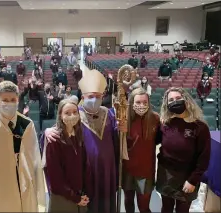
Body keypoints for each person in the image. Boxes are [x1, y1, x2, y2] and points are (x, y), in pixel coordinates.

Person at [43, 69, 124, 213]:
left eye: (98, 96)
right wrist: (47, 131)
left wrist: (122, 129)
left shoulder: (108, 113)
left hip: (107, 170)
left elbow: (117, 139)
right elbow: (61, 127)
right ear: (84, 96)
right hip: (86, 172)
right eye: (91, 96)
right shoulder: (75, 113)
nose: (94, 99)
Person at [0, 81, 46, 212]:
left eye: (13, 99)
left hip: (25, 186)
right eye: (5, 100)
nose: (9, 103)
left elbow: (35, 160)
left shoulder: (27, 125)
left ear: (17, 100)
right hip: (0, 191)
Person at [156, 87, 211, 213]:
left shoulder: (200, 127)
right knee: (166, 209)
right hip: (166, 175)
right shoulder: (165, 124)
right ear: (167, 104)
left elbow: (204, 158)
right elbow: (154, 141)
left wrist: (192, 180)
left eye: (178, 98)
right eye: (171, 100)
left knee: (182, 210)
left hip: (187, 176)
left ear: (186, 100)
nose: (175, 102)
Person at [42, 99, 92, 212]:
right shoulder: (54, 140)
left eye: (75, 112)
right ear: (60, 115)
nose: (72, 115)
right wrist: (74, 197)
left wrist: (85, 192)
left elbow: (85, 166)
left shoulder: (78, 136)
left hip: (79, 195)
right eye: (67, 113)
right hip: (63, 197)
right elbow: (56, 178)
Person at [121, 88, 161, 213]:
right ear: (132, 103)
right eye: (138, 102)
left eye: (145, 102)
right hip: (127, 170)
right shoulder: (124, 120)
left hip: (145, 172)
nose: (142, 105)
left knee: (143, 207)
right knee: (128, 203)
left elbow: (161, 140)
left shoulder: (155, 119)